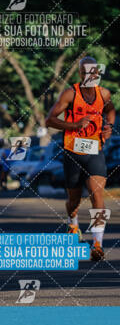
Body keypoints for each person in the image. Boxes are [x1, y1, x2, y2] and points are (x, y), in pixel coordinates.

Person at [45, 56, 115, 261]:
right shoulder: (70, 94)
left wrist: (108, 126)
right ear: (80, 74)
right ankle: (73, 221)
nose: (91, 76)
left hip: (95, 152)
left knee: (97, 195)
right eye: (87, 73)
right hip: (73, 152)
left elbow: (110, 111)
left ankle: (98, 244)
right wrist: (74, 125)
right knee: (74, 200)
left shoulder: (104, 93)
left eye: (95, 73)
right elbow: (50, 120)